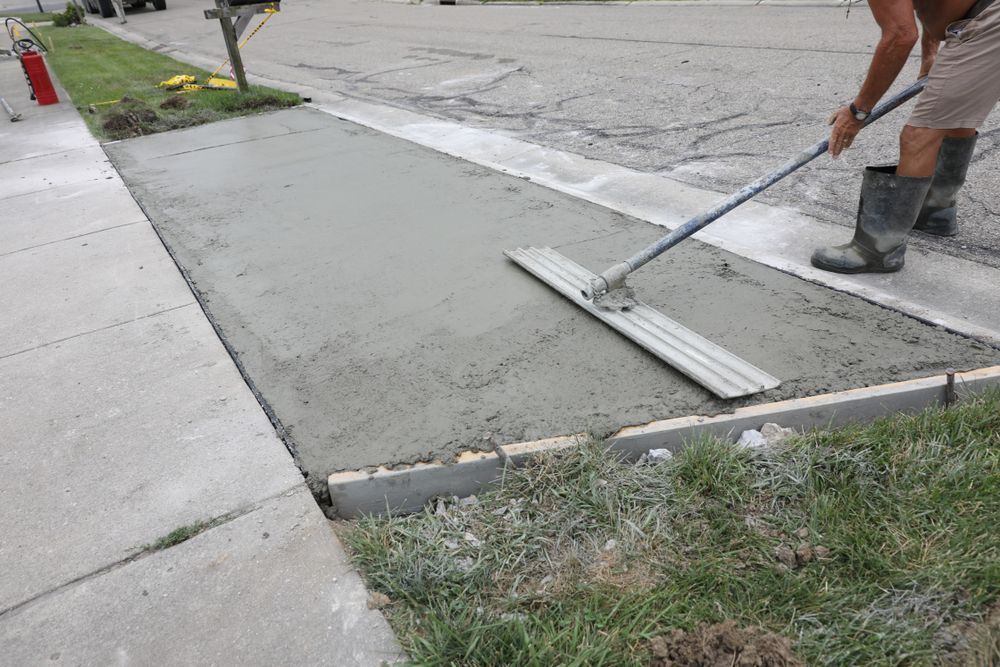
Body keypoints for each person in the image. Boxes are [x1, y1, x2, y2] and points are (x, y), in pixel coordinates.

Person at [811, 0, 999, 274]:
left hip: (989, 24)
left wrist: (858, 112)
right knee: (954, 120)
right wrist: (930, 53)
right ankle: (935, 212)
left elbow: (900, 35)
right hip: (985, 19)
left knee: (918, 135)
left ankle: (878, 249)